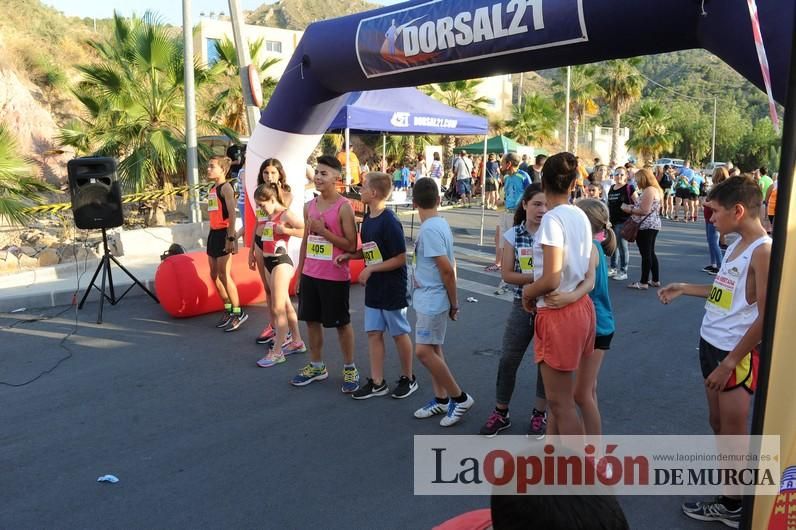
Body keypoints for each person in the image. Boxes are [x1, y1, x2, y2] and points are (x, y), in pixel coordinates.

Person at [658, 176, 771, 528]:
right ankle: (731, 494)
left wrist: (732, 361)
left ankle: (733, 504)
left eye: (715, 211)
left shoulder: (763, 251)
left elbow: (767, 318)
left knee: (733, 428)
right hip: (712, 343)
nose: (709, 217)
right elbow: (726, 290)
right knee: (719, 423)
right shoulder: (737, 243)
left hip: (733, 354)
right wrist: (684, 288)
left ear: (738, 211)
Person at [521, 152, 595, 437]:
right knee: (558, 401)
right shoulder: (579, 214)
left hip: (558, 312)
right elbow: (588, 266)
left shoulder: (552, 220)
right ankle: (555, 461)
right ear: (573, 182)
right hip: (579, 305)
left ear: (543, 180)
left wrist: (528, 292)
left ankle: (578, 474)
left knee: (560, 404)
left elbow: (550, 278)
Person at [336, 172, 418, 399]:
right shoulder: (368, 219)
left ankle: (408, 378)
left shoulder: (390, 220)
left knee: (399, 333)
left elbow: (400, 257)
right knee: (374, 333)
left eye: (362, 187)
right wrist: (350, 256)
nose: (359, 190)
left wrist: (371, 268)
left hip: (392, 287)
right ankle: (377, 381)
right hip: (374, 287)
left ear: (373, 193)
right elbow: (372, 249)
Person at [479, 184, 549, 438]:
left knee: (545, 363)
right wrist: (540, 278)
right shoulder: (513, 235)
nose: (542, 210)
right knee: (509, 359)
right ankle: (501, 412)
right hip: (523, 305)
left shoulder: (554, 234)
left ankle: (539, 414)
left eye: (546, 205)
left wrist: (541, 281)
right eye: (537, 204)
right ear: (525, 205)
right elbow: (508, 274)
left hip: (550, 308)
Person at [544, 199, 616, 439]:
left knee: (580, 395)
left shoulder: (590, 249)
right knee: (577, 393)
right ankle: (561, 448)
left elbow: (587, 284)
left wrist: (564, 295)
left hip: (594, 326)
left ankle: (596, 455)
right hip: (598, 324)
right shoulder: (594, 246)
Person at [292, 155, 360, 392]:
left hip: (335, 276)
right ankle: (317, 365)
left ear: (336, 178)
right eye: (317, 173)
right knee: (311, 321)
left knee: (342, 324)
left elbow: (351, 246)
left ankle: (350, 367)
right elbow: (306, 241)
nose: (318, 178)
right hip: (311, 273)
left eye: (323, 174)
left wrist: (324, 230)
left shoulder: (344, 208)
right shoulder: (308, 206)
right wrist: (300, 272)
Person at [410, 178, 475, 427]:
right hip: (429, 296)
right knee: (434, 348)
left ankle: (459, 398)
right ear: (439, 200)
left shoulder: (429, 229)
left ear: (414, 202)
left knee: (424, 351)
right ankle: (441, 398)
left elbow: (447, 269)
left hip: (433, 297)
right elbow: (450, 265)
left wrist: (454, 302)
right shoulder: (439, 224)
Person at [250, 182, 307, 367]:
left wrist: (286, 230)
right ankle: (297, 341)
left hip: (281, 262)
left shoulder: (286, 213)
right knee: (286, 304)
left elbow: (305, 230)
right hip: (268, 261)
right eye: (258, 205)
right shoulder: (269, 214)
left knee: (278, 308)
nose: (260, 208)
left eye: (262, 204)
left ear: (272, 199)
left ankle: (277, 351)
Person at [250, 159, 294, 345]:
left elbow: (284, 212)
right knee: (267, 289)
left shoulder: (285, 193)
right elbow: (256, 222)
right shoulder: (260, 194)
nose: (269, 176)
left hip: (276, 245)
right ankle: (273, 324)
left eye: (273, 173)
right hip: (261, 242)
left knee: (279, 293)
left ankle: (286, 331)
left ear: (280, 174)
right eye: (266, 173)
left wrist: (276, 190)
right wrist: (251, 249)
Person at [206, 155, 247, 331]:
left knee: (224, 275)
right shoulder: (212, 188)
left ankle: (239, 313)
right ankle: (229, 309)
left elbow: (232, 214)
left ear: (223, 170)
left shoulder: (226, 188)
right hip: (212, 234)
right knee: (214, 275)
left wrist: (231, 238)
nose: (208, 169)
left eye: (212, 167)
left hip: (224, 233)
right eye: (208, 166)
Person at [623, 168, 662, 290]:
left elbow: (644, 210)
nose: (636, 182)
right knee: (650, 252)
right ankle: (655, 280)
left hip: (646, 225)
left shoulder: (649, 190)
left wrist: (629, 209)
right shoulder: (655, 190)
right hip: (652, 224)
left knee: (646, 254)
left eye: (637, 179)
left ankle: (643, 282)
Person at [488, 153, 527, 276]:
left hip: (517, 214)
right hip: (504, 213)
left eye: (503, 162)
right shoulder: (505, 178)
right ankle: (504, 270)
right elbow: (505, 196)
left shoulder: (523, 176)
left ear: (509, 164)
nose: (500, 165)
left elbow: (530, 193)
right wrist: (500, 205)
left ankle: (525, 271)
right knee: (502, 241)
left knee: (519, 243)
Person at [606, 167, 634, 281]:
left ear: (626, 176)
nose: (619, 176)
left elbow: (637, 203)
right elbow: (609, 204)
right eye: (617, 174)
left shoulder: (629, 188)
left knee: (622, 247)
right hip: (612, 222)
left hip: (623, 221)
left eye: (622, 174)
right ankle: (613, 268)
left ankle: (623, 271)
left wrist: (628, 209)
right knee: (613, 246)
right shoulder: (612, 188)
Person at [702, 167, 729, 275]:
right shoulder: (717, 187)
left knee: (714, 241)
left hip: (714, 216)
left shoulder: (720, 188)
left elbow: (715, 203)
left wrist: (705, 202)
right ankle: (713, 264)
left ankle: (720, 266)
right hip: (709, 215)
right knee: (710, 241)